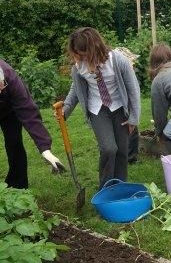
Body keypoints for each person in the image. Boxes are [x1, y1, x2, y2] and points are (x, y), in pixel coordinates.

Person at [60, 27, 141, 189]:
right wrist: (66, 110)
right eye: (77, 54)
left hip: (119, 108)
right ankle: (105, 187)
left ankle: (120, 185)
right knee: (109, 148)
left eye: (83, 54)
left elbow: (133, 89)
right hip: (97, 110)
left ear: (94, 49)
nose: (80, 58)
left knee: (122, 150)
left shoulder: (118, 61)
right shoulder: (79, 67)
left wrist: (133, 118)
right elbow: (76, 89)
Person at [0, 59, 65, 189]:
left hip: (8, 110)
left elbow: (29, 113)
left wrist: (45, 149)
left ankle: (17, 187)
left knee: (14, 143)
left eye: (1, 86)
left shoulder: (10, 77)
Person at [114, 47, 140, 164]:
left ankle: (129, 155)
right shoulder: (120, 70)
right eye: (132, 61)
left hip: (129, 106)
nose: (133, 63)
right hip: (123, 106)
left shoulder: (129, 69)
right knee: (129, 132)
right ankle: (128, 157)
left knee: (132, 131)